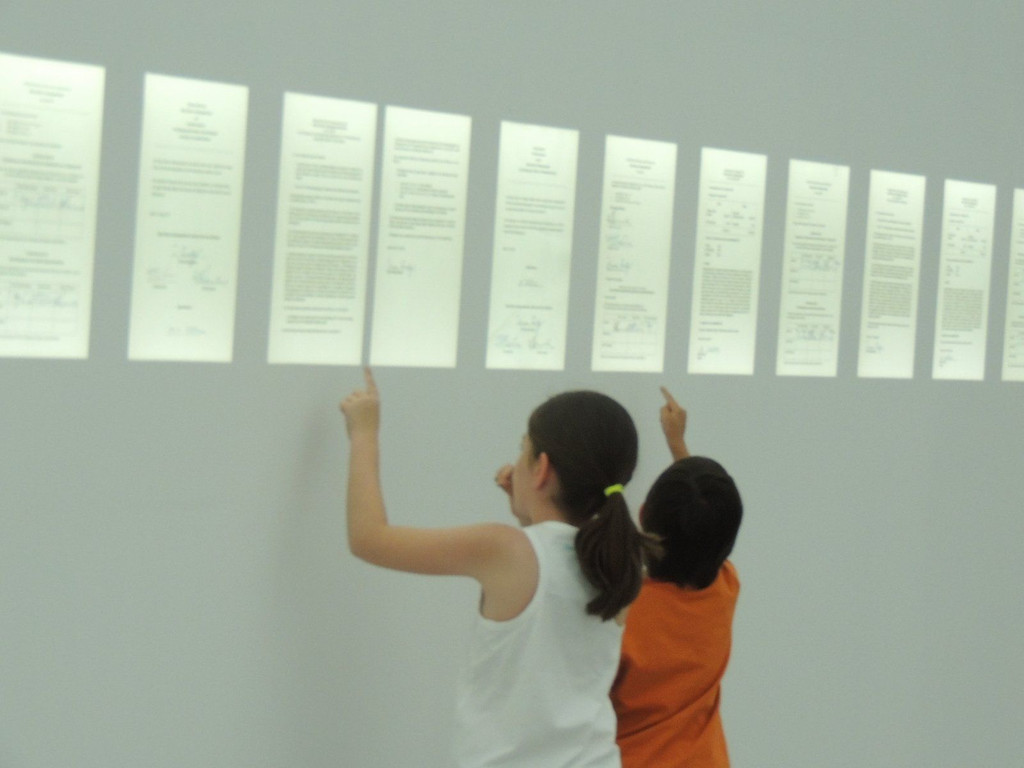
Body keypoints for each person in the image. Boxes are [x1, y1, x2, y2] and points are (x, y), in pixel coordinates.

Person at [340, 368, 658, 768]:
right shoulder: (620, 561)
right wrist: (527, 515)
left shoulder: (505, 549)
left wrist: (364, 432)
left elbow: (368, 539)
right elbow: (553, 593)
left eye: (522, 450)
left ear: (541, 469)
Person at [611, 388, 743, 768]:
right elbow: (704, 524)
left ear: (643, 513)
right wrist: (677, 444)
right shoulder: (723, 588)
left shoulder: (621, 615)